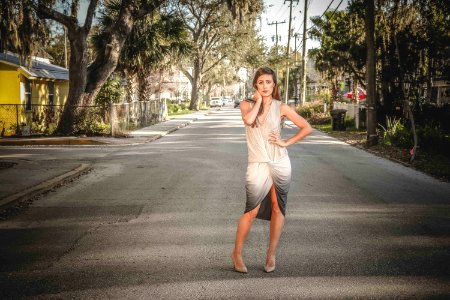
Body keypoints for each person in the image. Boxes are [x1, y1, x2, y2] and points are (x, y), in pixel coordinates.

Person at [231, 67, 313, 273]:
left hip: (280, 163)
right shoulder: (246, 105)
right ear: (255, 86)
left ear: (274, 85)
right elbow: (249, 121)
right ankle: (237, 254)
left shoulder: (281, 107)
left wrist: (286, 143)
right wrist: (258, 101)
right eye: (261, 82)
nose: (265, 86)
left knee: (278, 208)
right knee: (252, 210)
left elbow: (307, 127)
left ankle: (271, 254)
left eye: (269, 82)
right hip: (257, 163)